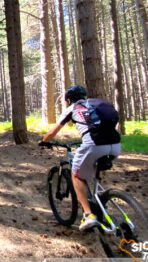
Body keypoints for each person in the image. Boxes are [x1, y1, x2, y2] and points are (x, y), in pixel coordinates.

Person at [41, 85, 121, 231]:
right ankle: (101, 199)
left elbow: (54, 131)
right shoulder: (95, 104)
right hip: (115, 144)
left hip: (94, 144)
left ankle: (88, 214)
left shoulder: (73, 108)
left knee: (76, 176)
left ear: (69, 99)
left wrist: (44, 141)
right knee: (95, 166)